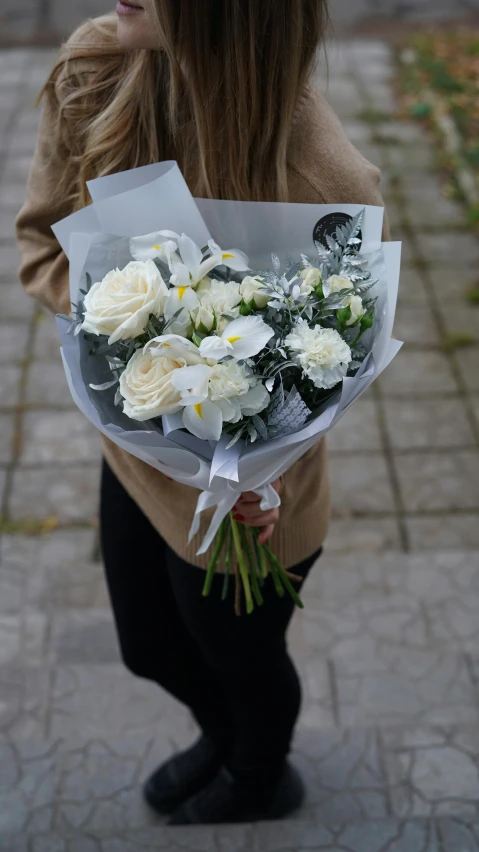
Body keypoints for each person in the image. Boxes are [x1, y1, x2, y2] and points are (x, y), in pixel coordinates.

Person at [16, 0, 388, 826]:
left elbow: (338, 353)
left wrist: (268, 469)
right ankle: (226, 740)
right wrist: (132, 320)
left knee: (240, 652)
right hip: (140, 451)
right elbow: (42, 245)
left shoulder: (326, 182)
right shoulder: (95, 69)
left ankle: (259, 774)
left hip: (257, 498)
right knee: (147, 648)